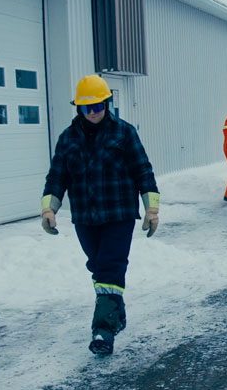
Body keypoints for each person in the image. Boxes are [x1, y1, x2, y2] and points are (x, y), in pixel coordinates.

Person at [40, 74, 160, 355]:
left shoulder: (124, 132)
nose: (93, 112)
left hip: (118, 214)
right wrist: (49, 208)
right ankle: (115, 311)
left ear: (107, 103)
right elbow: (57, 176)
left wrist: (151, 208)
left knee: (109, 267)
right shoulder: (67, 138)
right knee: (98, 267)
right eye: (86, 108)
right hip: (85, 217)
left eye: (98, 106)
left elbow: (143, 170)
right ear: (79, 109)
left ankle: (103, 332)